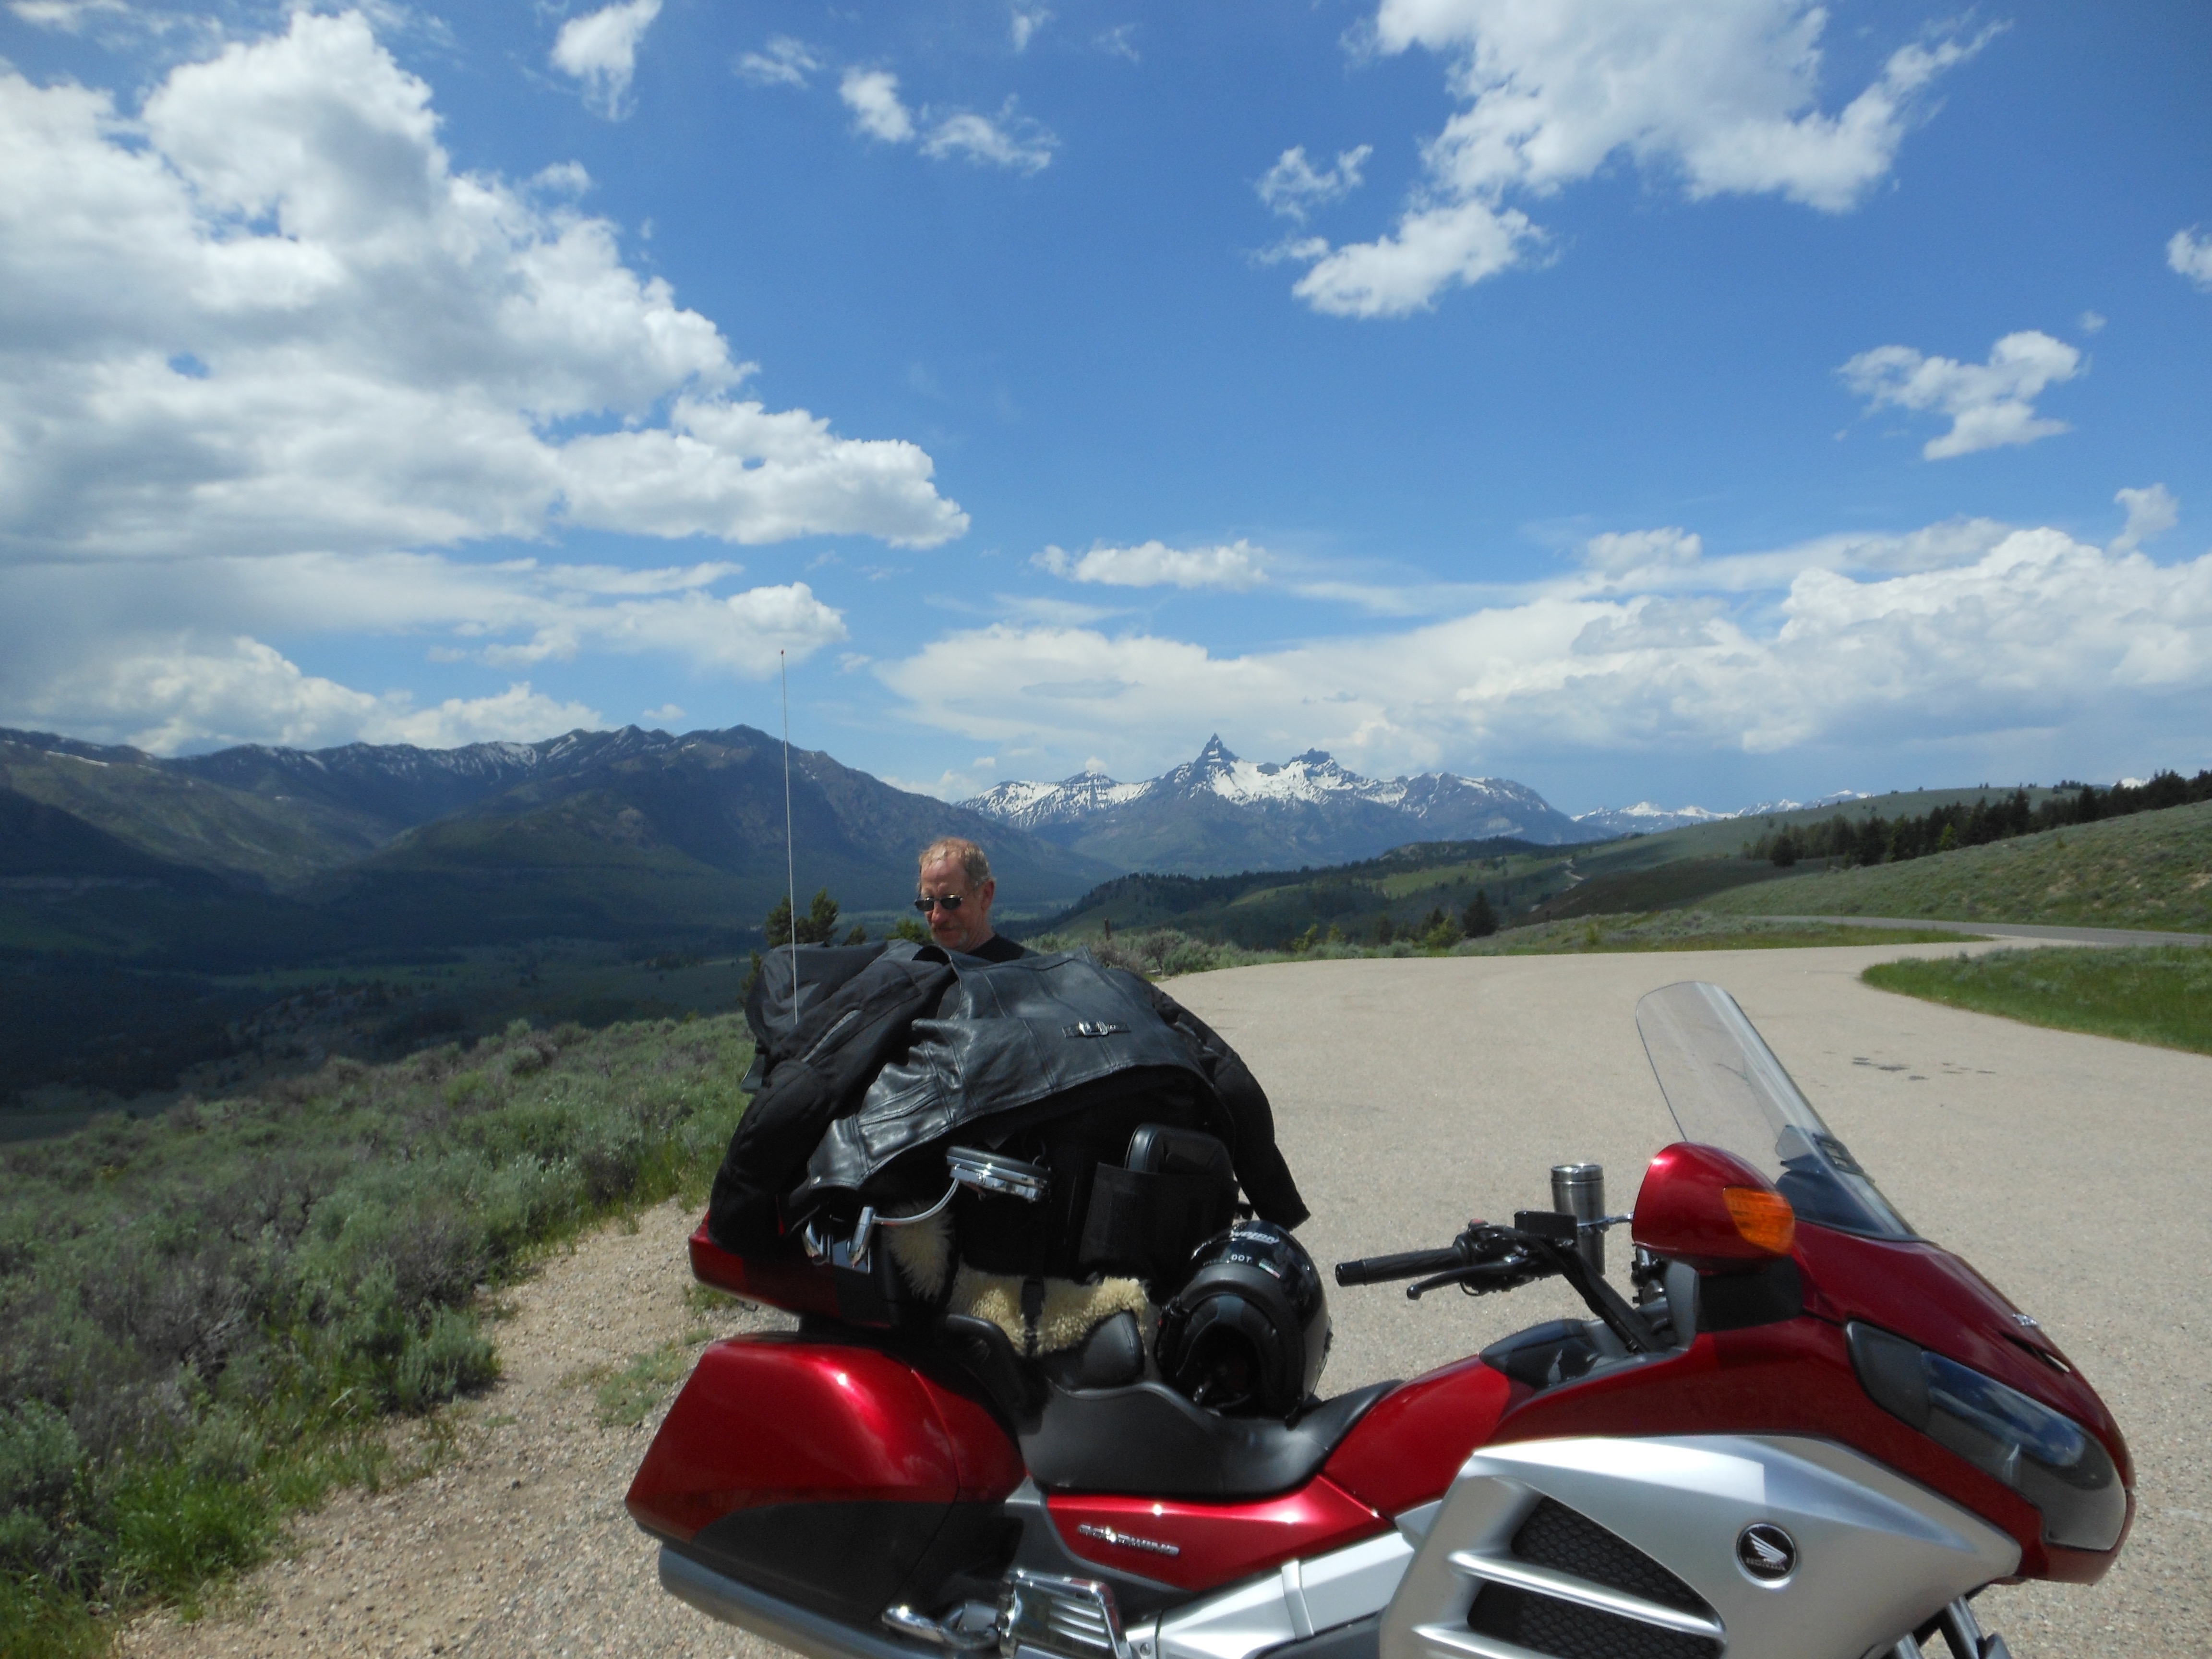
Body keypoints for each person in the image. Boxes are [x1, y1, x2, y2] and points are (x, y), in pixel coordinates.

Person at [914, 836, 1027, 962]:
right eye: (928, 902)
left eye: (950, 901)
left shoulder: (1026, 970)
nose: (937, 917)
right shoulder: (920, 967)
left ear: (986, 895)